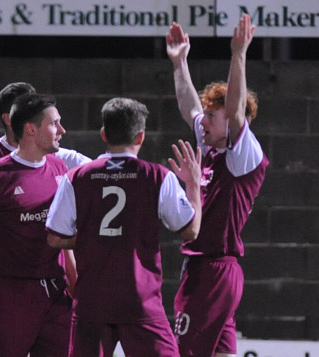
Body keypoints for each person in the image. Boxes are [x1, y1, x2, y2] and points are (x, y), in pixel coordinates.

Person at [45, 97, 202, 357]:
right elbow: (190, 230)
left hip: (92, 301)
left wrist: (92, 236)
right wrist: (194, 185)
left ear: (104, 134)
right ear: (140, 137)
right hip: (139, 300)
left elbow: (54, 238)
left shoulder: (77, 176)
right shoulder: (158, 176)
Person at [166, 14, 269, 357]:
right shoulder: (212, 146)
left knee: (183, 351)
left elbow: (237, 113)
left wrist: (238, 54)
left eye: (213, 116)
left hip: (214, 269)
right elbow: (188, 106)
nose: (203, 121)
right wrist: (180, 61)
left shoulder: (243, 154)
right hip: (206, 267)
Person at [0, 82, 90, 324]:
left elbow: (97, 170)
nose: (60, 129)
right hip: (4, 280)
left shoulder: (56, 158)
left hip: (52, 279)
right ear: (13, 119)